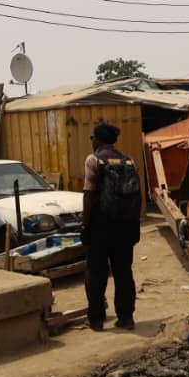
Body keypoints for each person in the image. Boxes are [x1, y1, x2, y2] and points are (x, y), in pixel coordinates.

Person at [82, 122, 141, 331]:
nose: (92, 141)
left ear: (98, 140)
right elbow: (137, 194)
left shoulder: (93, 160)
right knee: (123, 272)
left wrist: (85, 224)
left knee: (96, 272)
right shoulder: (128, 160)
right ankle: (126, 318)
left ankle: (96, 320)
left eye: (92, 138)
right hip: (125, 225)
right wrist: (135, 223)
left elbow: (89, 194)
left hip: (101, 225)